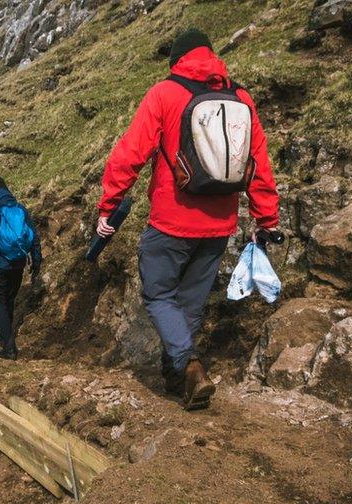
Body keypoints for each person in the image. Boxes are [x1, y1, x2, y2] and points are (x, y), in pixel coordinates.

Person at [96, 29, 279, 410]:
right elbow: (259, 164)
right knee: (190, 305)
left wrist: (108, 206)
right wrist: (267, 218)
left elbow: (129, 155)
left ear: (177, 59)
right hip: (219, 225)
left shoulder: (165, 93)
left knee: (160, 294)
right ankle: (178, 378)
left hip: (170, 221)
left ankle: (190, 365)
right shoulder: (241, 98)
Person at [0, 175, 42, 360]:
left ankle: (9, 347)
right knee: (9, 300)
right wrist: (36, 260)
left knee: (0, 303)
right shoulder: (20, 208)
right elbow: (34, 236)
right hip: (18, 264)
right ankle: (5, 334)